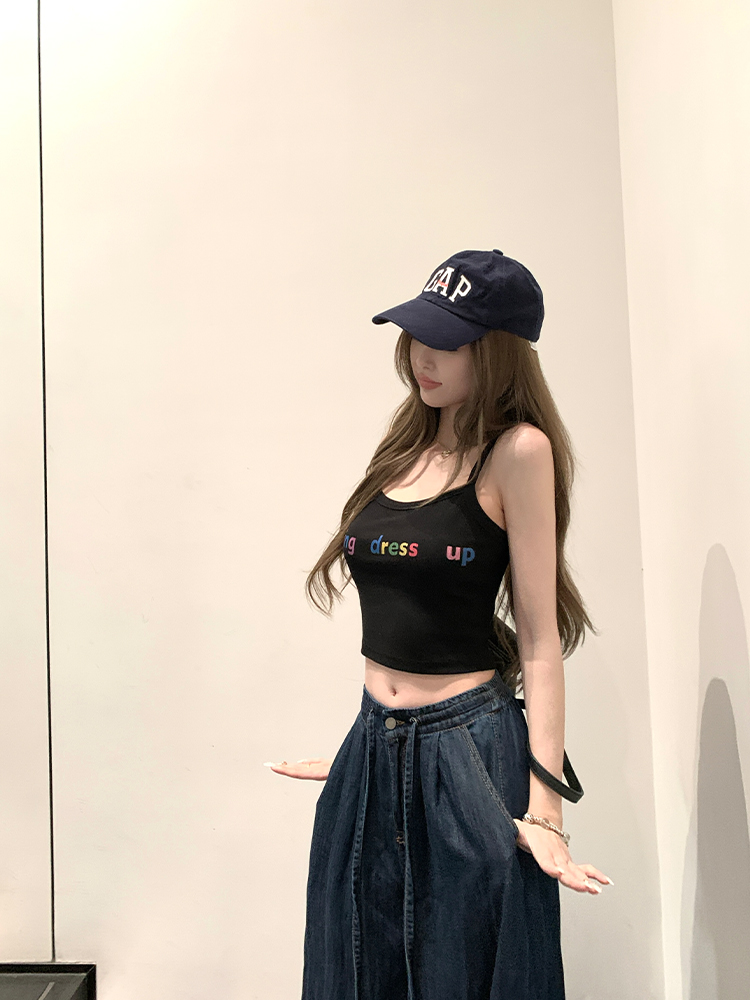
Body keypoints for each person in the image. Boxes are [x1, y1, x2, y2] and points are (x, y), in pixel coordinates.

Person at [265, 249, 612, 999]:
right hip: (373, 744)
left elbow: (540, 640)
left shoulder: (518, 451)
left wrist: (546, 808)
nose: (423, 357)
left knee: (465, 971)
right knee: (352, 969)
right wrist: (367, 751)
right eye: (419, 335)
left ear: (498, 351)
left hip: (468, 750)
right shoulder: (406, 446)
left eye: (447, 343)